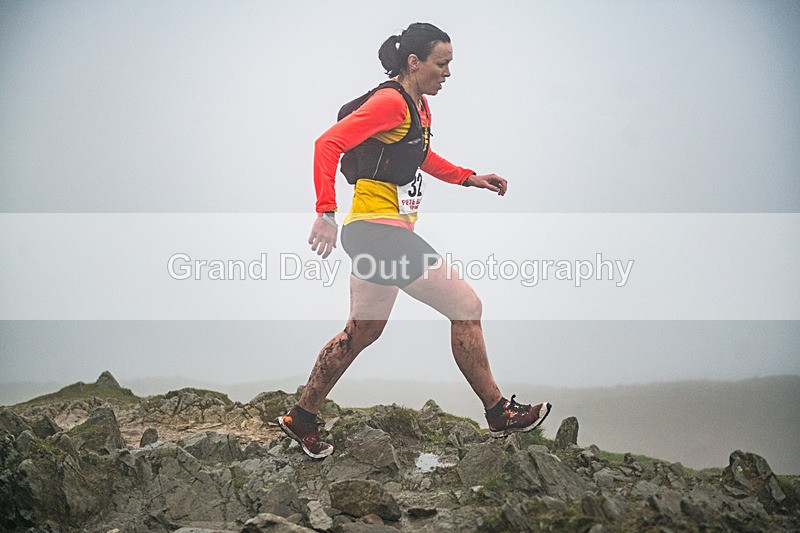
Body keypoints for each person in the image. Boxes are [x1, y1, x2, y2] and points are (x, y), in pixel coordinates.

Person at [278, 22, 551, 459]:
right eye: (441, 64)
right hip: (378, 232)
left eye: (450, 65)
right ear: (414, 62)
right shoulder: (390, 101)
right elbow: (326, 144)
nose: (447, 73)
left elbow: (420, 156)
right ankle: (498, 411)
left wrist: (469, 178)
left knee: (361, 331)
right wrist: (324, 213)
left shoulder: (419, 107)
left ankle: (301, 417)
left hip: (376, 233)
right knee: (466, 307)